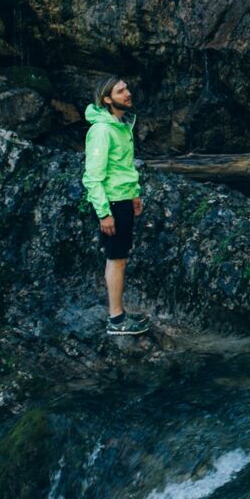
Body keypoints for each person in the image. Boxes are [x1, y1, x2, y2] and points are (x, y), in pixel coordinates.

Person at [84, 75, 151, 335]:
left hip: (122, 199)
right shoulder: (102, 130)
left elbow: (122, 167)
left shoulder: (121, 126)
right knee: (116, 259)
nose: (128, 93)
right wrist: (104, 213)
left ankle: (119, 314)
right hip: (111, 202)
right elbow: (93, 176)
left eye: (127, 88)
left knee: (120, 257)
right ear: (107, 99)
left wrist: (134, 194)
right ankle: (116, 320)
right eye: (121, 91)